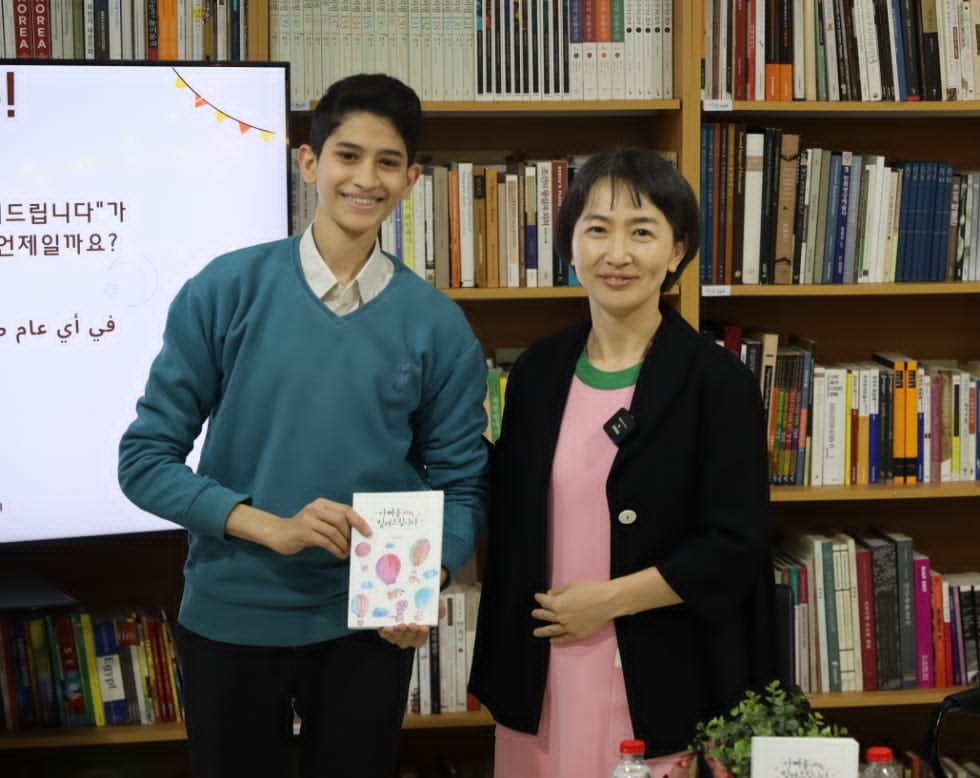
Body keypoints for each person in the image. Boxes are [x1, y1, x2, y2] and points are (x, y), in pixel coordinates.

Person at [118, 73, 490, 778]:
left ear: (412, 180)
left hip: (370, 624)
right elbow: (145, 462)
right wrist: (270, 527)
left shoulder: (437, 325)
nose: (366, 179)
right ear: (309, 163)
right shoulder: (225, 290)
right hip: (232, 614)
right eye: (348, 155)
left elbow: (464, 485)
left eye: (388, 162)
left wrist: (428, 577)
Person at [470, 146, 776, 778]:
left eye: (642, 232)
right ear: (569, 246)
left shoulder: (718, 383)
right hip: (540, 673)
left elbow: (734, 544)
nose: (617, 254)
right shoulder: (536, 373)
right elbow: (510, 514)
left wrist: (608, 602)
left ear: (677, 250)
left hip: (665, 673)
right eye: (597, 230)